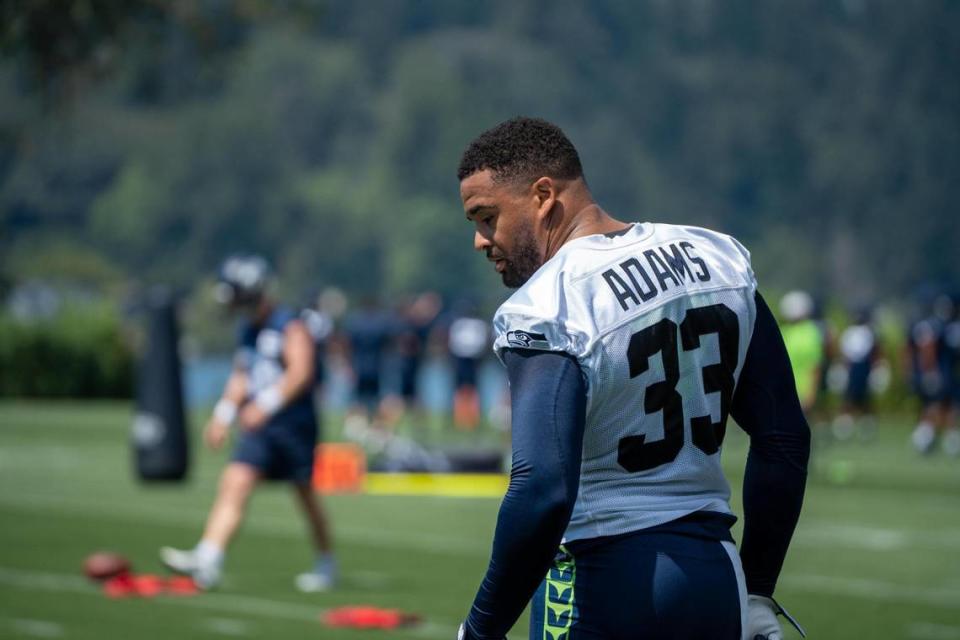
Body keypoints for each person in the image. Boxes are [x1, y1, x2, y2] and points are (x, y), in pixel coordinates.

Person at [455, 117, 809, 640]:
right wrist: (757, 588)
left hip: (600, 576)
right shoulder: (717, 258)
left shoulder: (549, 304)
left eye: (487, 218)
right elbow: (783, 437)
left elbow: (543, 492)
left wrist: (481, 629)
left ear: (543, 195)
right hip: (715, 575)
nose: (481, 241)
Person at [160, 255, 336, 592]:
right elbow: (242, 375)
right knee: (235, 481)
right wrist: (223, 414)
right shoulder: (248, 328)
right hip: (261, 429)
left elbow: (301, 372)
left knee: (305, 497)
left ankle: (326, 562)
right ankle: (208, 560)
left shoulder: (290, 323)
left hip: (293, 426)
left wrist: (265, 405)